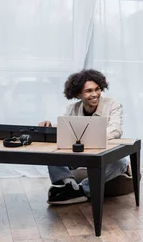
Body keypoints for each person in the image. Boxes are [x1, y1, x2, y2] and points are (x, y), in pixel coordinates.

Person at [39, 69, 129, 205]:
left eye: (97, 89)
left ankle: (80, 190)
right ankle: (69, 183)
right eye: (88, 91)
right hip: (79, 156)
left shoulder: (113, 105)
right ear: (78, 94)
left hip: (101, 153)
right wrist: (49, 127)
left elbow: (116, 130)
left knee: (120, 163)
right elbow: (65, 131)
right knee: (51, 151)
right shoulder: (71, 108)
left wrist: (88, 137)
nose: (95, 94)